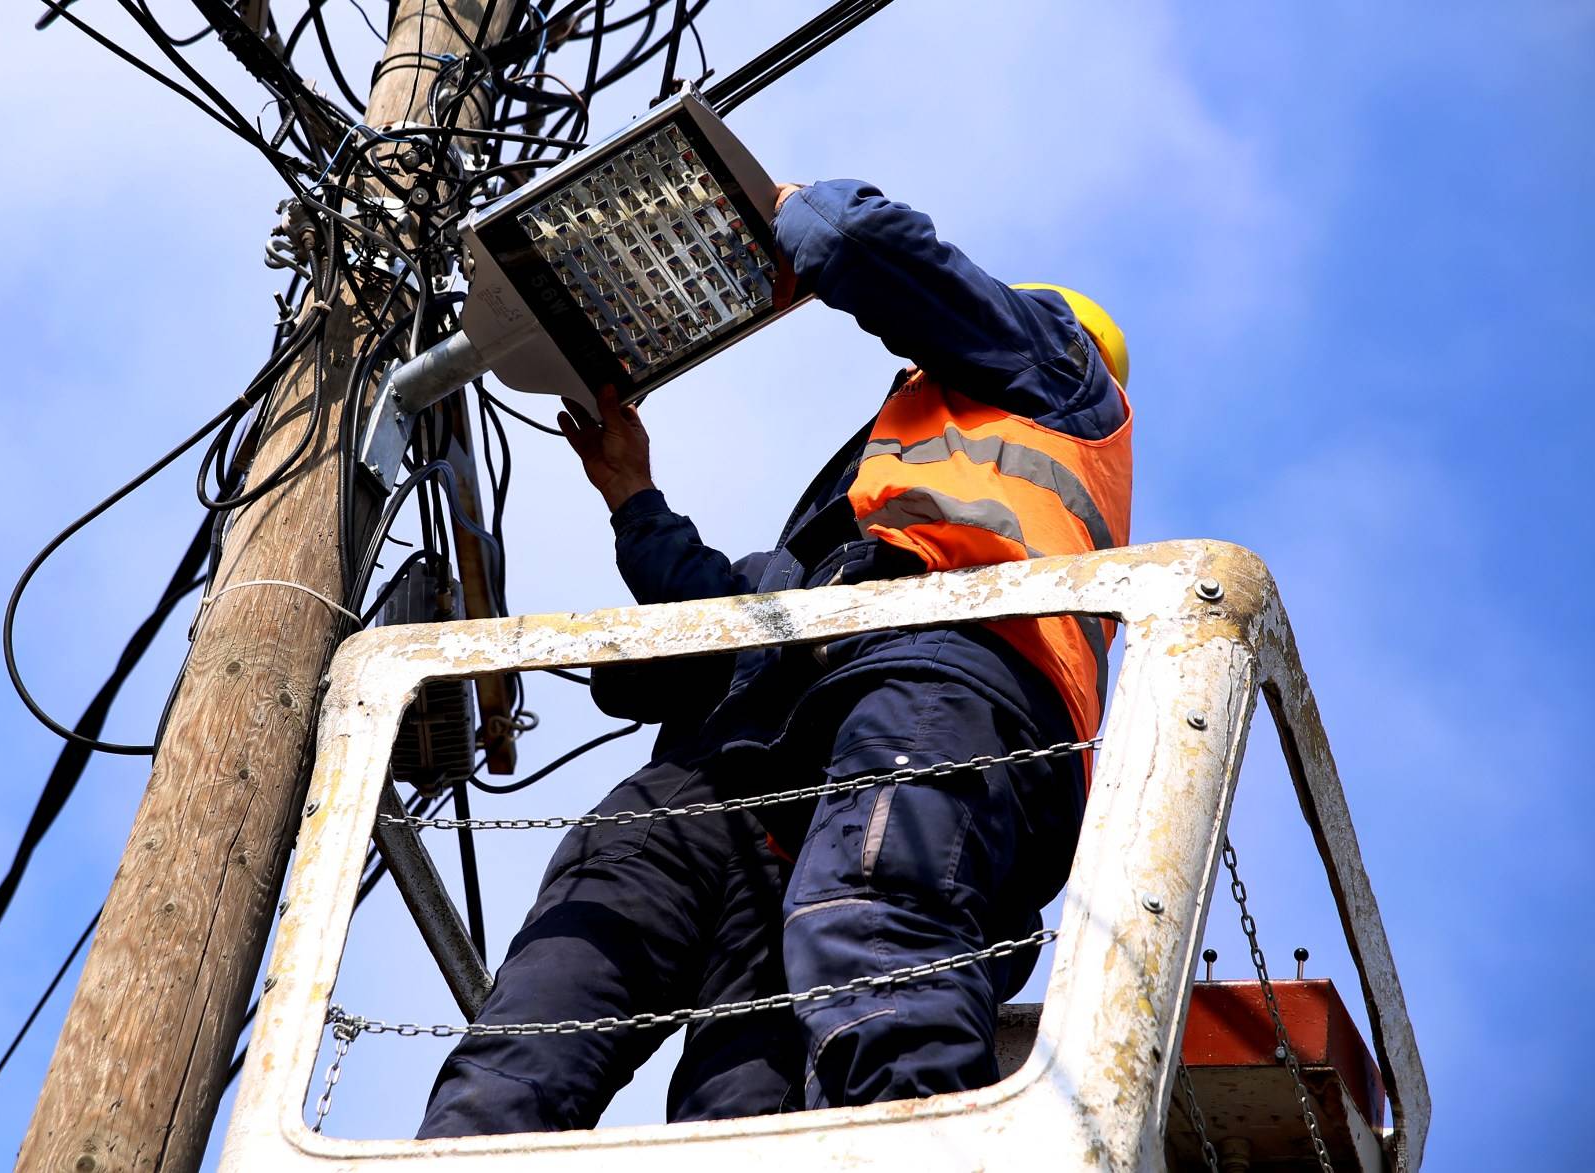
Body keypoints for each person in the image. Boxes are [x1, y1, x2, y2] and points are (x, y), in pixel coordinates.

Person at [418, 178, 1132, 1136]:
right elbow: (720, 617)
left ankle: (914, 1156)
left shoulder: (1056, 364)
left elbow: (858, 242)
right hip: (759, 769)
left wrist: (788, 208)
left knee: (862, 954)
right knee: (571, 1001)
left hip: (944, 691)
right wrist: (634, 497)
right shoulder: (832, 562)